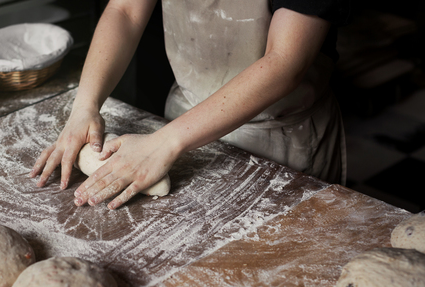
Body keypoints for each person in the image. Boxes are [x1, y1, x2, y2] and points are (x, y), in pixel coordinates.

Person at [30, 0, 351, 210]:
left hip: (281, 139)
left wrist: (165, 143)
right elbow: (125, 10)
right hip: (179, 125)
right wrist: (85, 104)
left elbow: (285, 62)